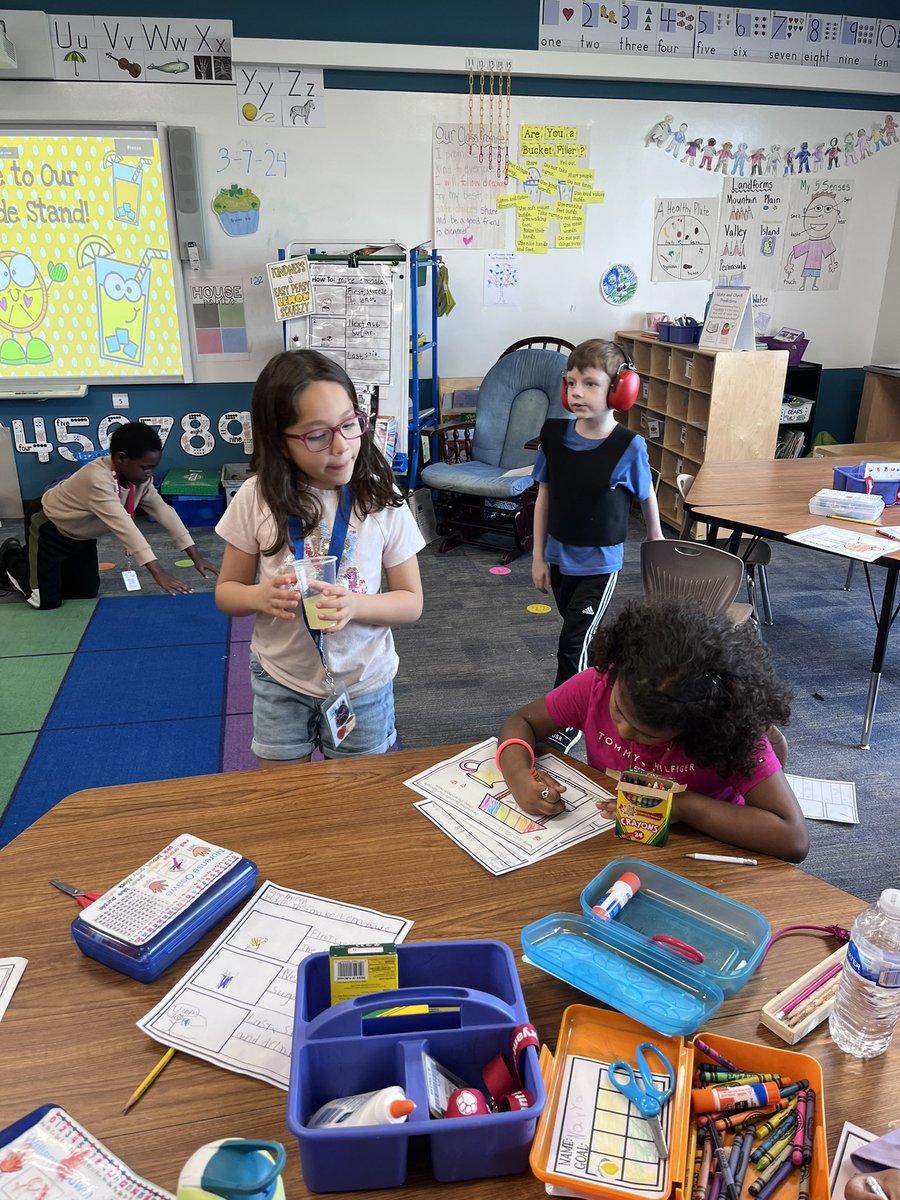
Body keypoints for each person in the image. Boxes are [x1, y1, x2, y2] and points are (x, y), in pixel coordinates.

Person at [214, 349, 424, 764]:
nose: (341, 446)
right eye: (316, 435)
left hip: (362, 683)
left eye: (350, 424)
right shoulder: (257, 497)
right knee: (282, 800)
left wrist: (356, 605)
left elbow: (412, 601)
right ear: (278, 440)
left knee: (359, 799)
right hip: (281, 680)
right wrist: (259, 597)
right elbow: (226, 593)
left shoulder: (380, 497)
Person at [496, 599, 809, 863]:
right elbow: (522, 721)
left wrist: (683, 806)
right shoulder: (597, 687)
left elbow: (792, 839)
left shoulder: (730, 732)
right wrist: (518, 776)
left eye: (646, 734)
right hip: (614, 839)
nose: (622, 729)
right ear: (616, 672)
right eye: (619, 710)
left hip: (703, 851)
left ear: (697, 724)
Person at [530, 339, 663, 754]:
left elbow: (646, 496)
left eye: (589, 384)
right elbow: (544, 497)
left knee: (574, 642)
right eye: (571, 383)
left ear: (618, 390)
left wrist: (656, 541)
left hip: (600, 563)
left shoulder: (628, 447)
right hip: (558, 559)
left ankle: (568, 720)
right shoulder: (553, 436)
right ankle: (608, 692)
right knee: (578, 637)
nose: (577, 393)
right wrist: (537, 556)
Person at [0, 422, 217, 609]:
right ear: (121, 458)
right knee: (44, 601)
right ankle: (10, 555)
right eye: (145, 467)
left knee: (85, 592)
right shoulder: (97, 478)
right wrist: (158, 572)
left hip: (82, 536)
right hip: (49, 527)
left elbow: (163, 511)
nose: (149, 473)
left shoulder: (139, 479)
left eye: (152, 468)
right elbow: (123, 525)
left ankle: (48, 570)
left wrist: (196, 556)